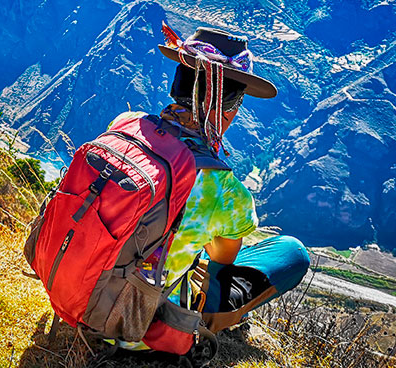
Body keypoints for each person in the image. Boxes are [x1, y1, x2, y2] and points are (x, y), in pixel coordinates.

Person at [108, 25, 311, 351]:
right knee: (291, 252)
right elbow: (221, 260)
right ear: (229, 106)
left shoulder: (124, 124)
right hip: (136, 327)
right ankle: (198, 323)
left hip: (80, 292)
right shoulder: (224, 189)